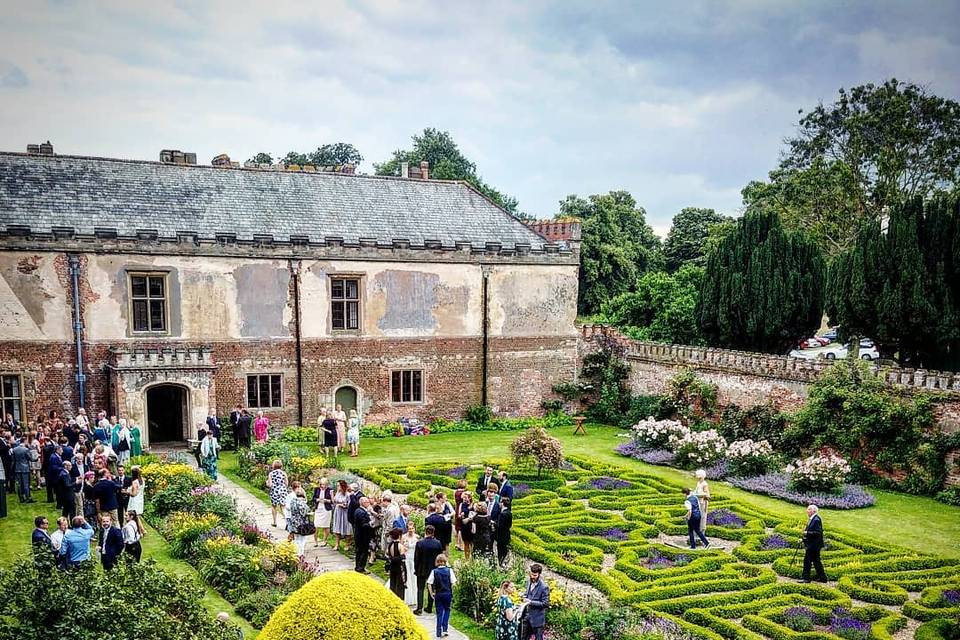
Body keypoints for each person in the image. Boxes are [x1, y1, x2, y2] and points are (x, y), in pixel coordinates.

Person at [414, 524, 443, 615]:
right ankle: (429, 607)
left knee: (420, 589)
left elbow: (416, 558)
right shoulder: (438, 543)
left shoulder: (420, 543)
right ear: (433, 532)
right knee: (432, 588)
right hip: (433, 569)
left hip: (421, 568)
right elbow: (439, 557)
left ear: (425, 532)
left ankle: (419, 608)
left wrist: (416, 568)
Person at [428, 554, 457, 638]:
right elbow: (453, 583)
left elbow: (429, 583)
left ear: (437, 562)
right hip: (447, 593)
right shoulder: (449, 571)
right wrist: (453, 592)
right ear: (445, 562)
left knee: (439, 612)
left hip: (438, 594)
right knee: (447, 610)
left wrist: (431, 593)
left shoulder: (434, 571)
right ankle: (445, 629)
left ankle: (438, 631)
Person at [522, 564, 550, 640]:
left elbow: (545, 603)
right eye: (531, 574)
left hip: (537, 619)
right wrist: (523, 596)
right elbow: (527, 594)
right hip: (527, 617)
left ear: (539, 574)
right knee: (523, 638)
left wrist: (530, 602)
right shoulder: (528, 582)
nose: (532, 576)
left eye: (534, 575)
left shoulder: (544, 587)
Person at [801, 504, 827, 583]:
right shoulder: (813, 519)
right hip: (814, 545)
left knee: (807, 561)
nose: (807, 511)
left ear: (814, 511)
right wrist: (803, 539)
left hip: (814, 546)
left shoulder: (816, 520)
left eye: (809, 509)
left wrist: (807, 533)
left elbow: (818, 533)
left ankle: (806, 578)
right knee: (816, 561)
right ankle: (823, 578)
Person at [288, 487, 312, 558]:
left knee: (296, 538)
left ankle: (295, 551)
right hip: (301, 524)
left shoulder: (293, 501)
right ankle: (300, 553)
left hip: (294, 522)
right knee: (302, 539)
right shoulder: (302, 503)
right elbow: (304, 512)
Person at [353, 496, 373, 573]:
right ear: (363, 503)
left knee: (359, 551)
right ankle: (360, 568)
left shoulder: (359, 510)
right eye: (367, 502)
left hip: (360, 535)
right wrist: (370, 524)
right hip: (362, 536)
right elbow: (364, 525)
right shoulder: (361, 512)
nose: (368, 503)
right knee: (363, 552)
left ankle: (358, 566)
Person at [331, 479, 353, 551]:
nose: (337, 487)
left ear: (342, 486)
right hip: (338, 512)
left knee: (346, 528)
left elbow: (349, 504)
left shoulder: (348, 494)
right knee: (337, 527)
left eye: (338, 486)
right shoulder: (338, 493)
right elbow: (334, 501)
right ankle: (337, 544)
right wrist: (333, 494)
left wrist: (344, 505)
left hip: (345, 512)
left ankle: (347, 544)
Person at [402, 520, 419, 607]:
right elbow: (401, 547)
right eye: (409, 528)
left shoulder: (417, 537)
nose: (411, 530)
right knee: (407, 575)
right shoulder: (404, 537)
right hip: (407, 558)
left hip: (413, 558)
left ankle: (414, 595)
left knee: (413, 576)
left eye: (412, 528)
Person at [385, 527, 406, 599]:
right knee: (400, 584)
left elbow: (387, 553)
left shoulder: (390, 544)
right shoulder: (400, 546)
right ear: (399, 536)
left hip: (392, 566)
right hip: (399, 567)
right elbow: (402, 558)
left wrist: (391, 558)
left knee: (392, 583)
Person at [312, 477, 333, 547]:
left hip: (326, 509)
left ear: (327, 484)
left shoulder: (330, 490)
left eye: (324, 484)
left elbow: (332, 501)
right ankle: (315, 541)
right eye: (321, 484)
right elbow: (313, 498)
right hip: (318, 509)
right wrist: (317, 499)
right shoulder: (316, 489)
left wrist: (326, 500)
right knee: (316, 525)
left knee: (326, 526)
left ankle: (325, 540)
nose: (322, 486)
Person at [266, 460, 288, 527]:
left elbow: (270, 485)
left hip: (274, 491)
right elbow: (286, 484)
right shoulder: (284, 473)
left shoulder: (271, 474)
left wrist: (267, 483)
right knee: (283, 507)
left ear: (273, 466)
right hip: (282, 491)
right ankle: (287, 522)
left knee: (274, 506)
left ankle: (275, 522)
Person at [496, 497, 513, 566]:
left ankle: (501, 563)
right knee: (504, 548)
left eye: (500, 502)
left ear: (502, 503)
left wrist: (494, 523)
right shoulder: (509, 512)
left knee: (501, 549)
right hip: (506, 534)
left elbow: (499, 525)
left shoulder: (503, 514)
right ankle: (503, 562)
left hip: (501, 535)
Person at [459, 491, 475, 560]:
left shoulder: (474, 505)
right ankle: (466, 558)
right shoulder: (461, 504)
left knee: (472, 543)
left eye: (466, 497)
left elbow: (475, 514)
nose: (464, 499)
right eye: (464, 497)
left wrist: (469, 518)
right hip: (464, 525)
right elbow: (459, 515)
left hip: (471, 525)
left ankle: (473, 558)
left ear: (470, 498)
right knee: (466, 542)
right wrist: (461, 515)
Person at [694, 469, 710, 534]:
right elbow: (696, 490)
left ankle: (701, 533)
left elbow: (706, 494)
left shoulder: (705, 484)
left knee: (702, 517)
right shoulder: (698, 483)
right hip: (698, 501)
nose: (698, 478)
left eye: (699, 477)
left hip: (703, 502)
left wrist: (697, 494)